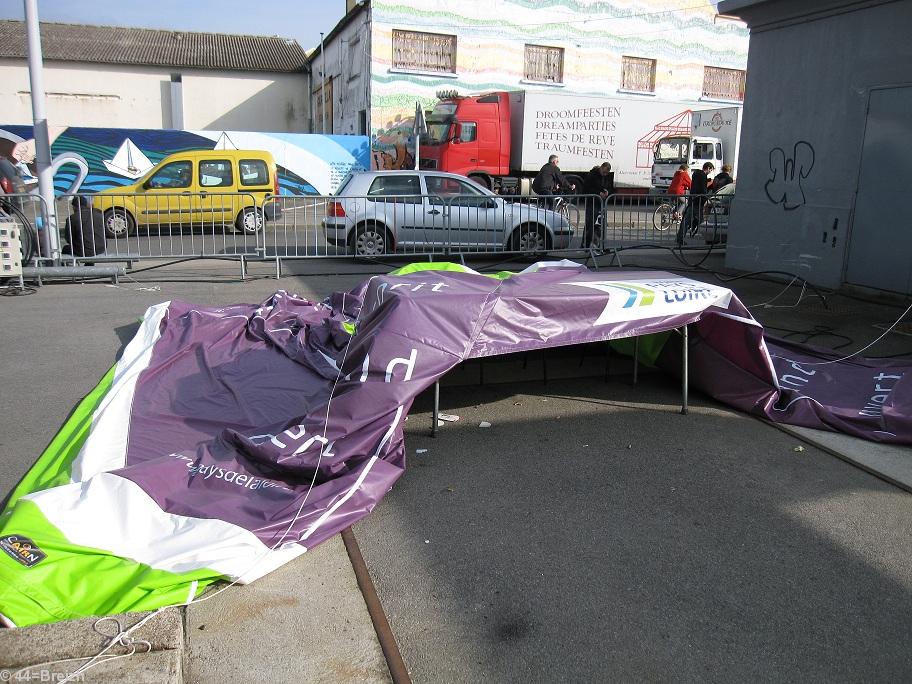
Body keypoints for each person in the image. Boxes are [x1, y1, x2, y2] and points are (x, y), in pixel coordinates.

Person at [676, 162, 714, 246]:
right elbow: (703, 189)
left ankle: (679, 238)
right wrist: (706, 198)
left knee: (686, 220)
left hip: (692, 199)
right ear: (708, 168)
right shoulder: (703, 175)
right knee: (702, 221)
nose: (710, 172)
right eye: (710, 170)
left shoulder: (695, 174)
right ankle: (708, 239)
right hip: (699, 200)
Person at [61, 195, 106, 260]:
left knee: (65, 249)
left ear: (74, 207)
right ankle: (89, 264)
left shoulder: (72, 218)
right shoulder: (99, 214)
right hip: (101, 248)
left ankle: (66, 266)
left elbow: (68, 238)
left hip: (83, 251)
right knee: (87, 246)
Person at [582, 162, 614, 247]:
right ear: (601, 168)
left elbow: (610, 187)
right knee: (589, 224)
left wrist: (608, 192)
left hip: (601, 203)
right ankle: (586, 244)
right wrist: (598, 193)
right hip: (592, 202)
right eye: (604, 172)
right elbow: (586, 188)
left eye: (606, 173)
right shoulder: (592, 175)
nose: (605, 174)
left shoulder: (607, 177)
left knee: (599, 225)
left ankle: (598, 245)